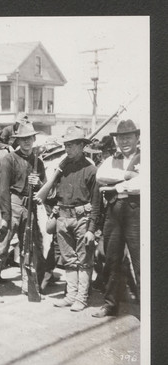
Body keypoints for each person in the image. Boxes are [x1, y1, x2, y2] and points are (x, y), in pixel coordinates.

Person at [0, 121, 46, 301]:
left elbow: (45, 189)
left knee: (28, 246)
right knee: (2, 247)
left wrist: (39, 185)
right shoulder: (9, 159)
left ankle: (28, 286)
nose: (27, 142)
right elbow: (2, 189)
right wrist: (5, 215)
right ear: (17, 141)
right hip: (13, 204)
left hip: (31, 206)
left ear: (34, 139)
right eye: (23, 139)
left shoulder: (38, 162)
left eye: (29, 138)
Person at [93, 120, 141, 318]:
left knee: (140, 259)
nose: (124, 141)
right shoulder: (111, 159)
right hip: (114, 211)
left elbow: (143, 183)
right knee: (111, 258)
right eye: (121, 138)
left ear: (137, 138)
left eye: (128, 137)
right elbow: (100, 177)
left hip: (136, 211)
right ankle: (110, 304)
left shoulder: (145, 157)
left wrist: (118, 184)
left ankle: (147, 305)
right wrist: (128, 175)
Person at [51, 126, 101, 312]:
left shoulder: (91, 170)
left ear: (82, 146)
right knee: (69, 260)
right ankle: (70, 296)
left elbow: (96, 203)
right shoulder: (61, 168)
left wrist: (91, 228)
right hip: (63, 219)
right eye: (66, 145)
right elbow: (51, 195)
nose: (68, 149)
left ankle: (81, 297)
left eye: (72, 145)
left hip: (82, 219)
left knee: (85, 261)